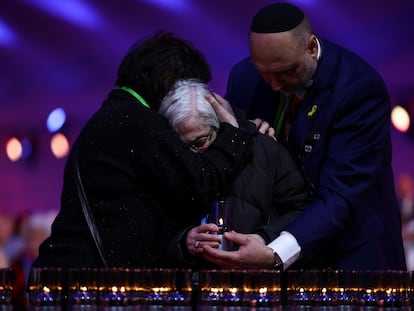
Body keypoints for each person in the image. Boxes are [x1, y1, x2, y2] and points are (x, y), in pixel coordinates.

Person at [201, 2, 406, 271]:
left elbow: (341, 196)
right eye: (264, 73)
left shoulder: (358, 88)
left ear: (311, 47)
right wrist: (240, 137)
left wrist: (275, 253)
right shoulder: (244, 78)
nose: (274, 84)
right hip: (266, 246)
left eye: (287, 71)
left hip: (350, 256)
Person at [31, 31, 254, 269]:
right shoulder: (139, 122)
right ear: (171, 84)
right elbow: (201, 184)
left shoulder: (113, 116)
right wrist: (233, 132)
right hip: (89, 281)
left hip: (68, 271)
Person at [158, 79, 312, 267]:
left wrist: (264, 238)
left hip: (255, 282)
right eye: (182, 148)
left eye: (199, 143)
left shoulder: (265, 150)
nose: (193, 156)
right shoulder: (164, 163)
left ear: (219, 124)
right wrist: (184, 242)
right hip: (189, 288)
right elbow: (150, 230)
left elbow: (303, 211)